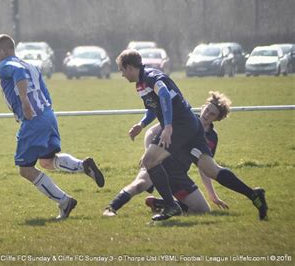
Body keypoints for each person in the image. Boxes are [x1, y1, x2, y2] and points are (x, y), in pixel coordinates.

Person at [115, 49, 268, 221]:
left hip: (181, 125)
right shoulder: (141, 84)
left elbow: (164, 93)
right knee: (211, 170)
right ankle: (253, 194)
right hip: (191, 124)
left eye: (121, 70)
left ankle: (171, 206)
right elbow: (153, 107)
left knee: (149, 161)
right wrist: (142, 124)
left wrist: (168, 127)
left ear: (129, 67)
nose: (121, 74)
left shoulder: (149, 76)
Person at [0, 34, 104, 220]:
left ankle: (65, 202)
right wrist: (42, 111)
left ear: (5, 50)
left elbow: (18, 73)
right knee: (46, 161)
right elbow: (45, 92)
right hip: (47, 115)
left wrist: (25, 103)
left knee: (25, 169)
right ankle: (83, 166)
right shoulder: (31, 65)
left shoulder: (5, 65)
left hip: (33, 120)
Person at [103, 91, 231, 217]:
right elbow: (151, 132)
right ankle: (111, 208)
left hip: (178, 176)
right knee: (141, 183)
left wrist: (213, 196)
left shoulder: (212, 138)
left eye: (212, 114)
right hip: (158, 162)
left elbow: (205, 169)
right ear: (203, 107)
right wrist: (149, 154)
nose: (207, 114)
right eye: (207, 109)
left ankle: (159, 204)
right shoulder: (186, 118)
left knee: (202, 210)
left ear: (217, 118)